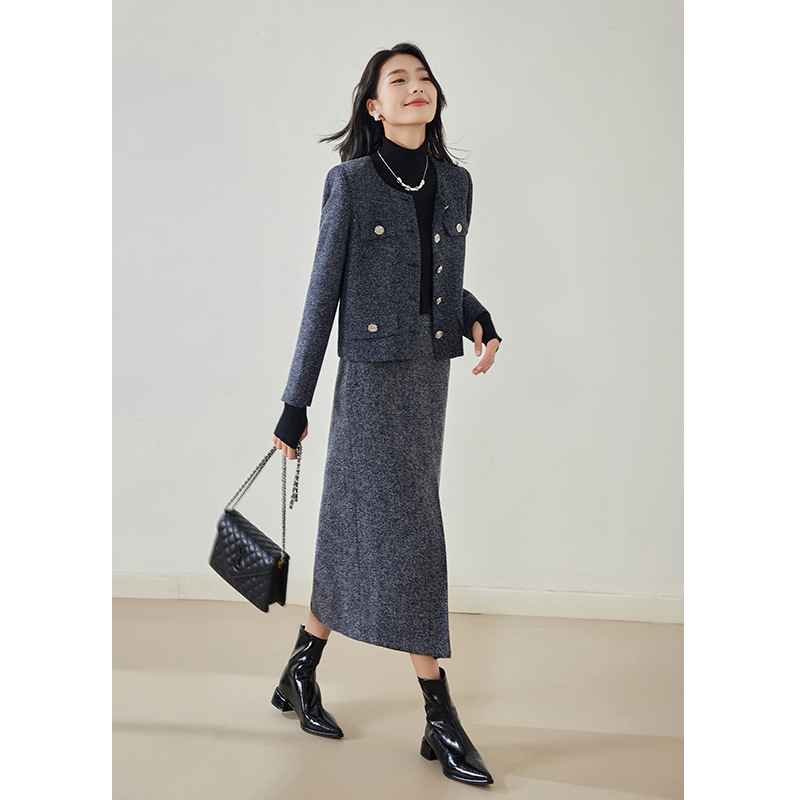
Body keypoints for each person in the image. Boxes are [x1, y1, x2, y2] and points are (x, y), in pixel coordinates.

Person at [270, 43, 501, 786]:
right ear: (373, 105)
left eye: (424, 78)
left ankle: (299, 671)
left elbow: (443, 280)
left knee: (358, 531)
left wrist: (476, 316)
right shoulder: (351, 184)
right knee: (413, 535)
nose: (415, 87)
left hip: (430, 380)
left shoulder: (456, 184)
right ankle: (439, 714)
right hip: (370, 383)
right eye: (397, 80)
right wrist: (295, 402)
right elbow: (322, 295)